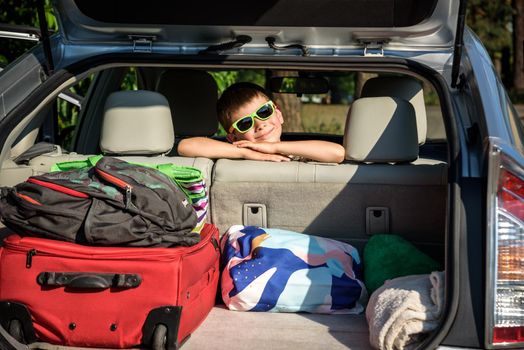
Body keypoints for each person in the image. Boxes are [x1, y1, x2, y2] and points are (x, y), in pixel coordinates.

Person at [178, 82, 345, 163]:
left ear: (278, 114)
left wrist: (274, 148)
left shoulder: (300, 152)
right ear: (233, 138)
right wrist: (247, 153)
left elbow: (337, 153)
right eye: (244, 123)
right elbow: (185, 146)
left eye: (264, 112)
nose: (260, 124)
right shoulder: (233, 156)